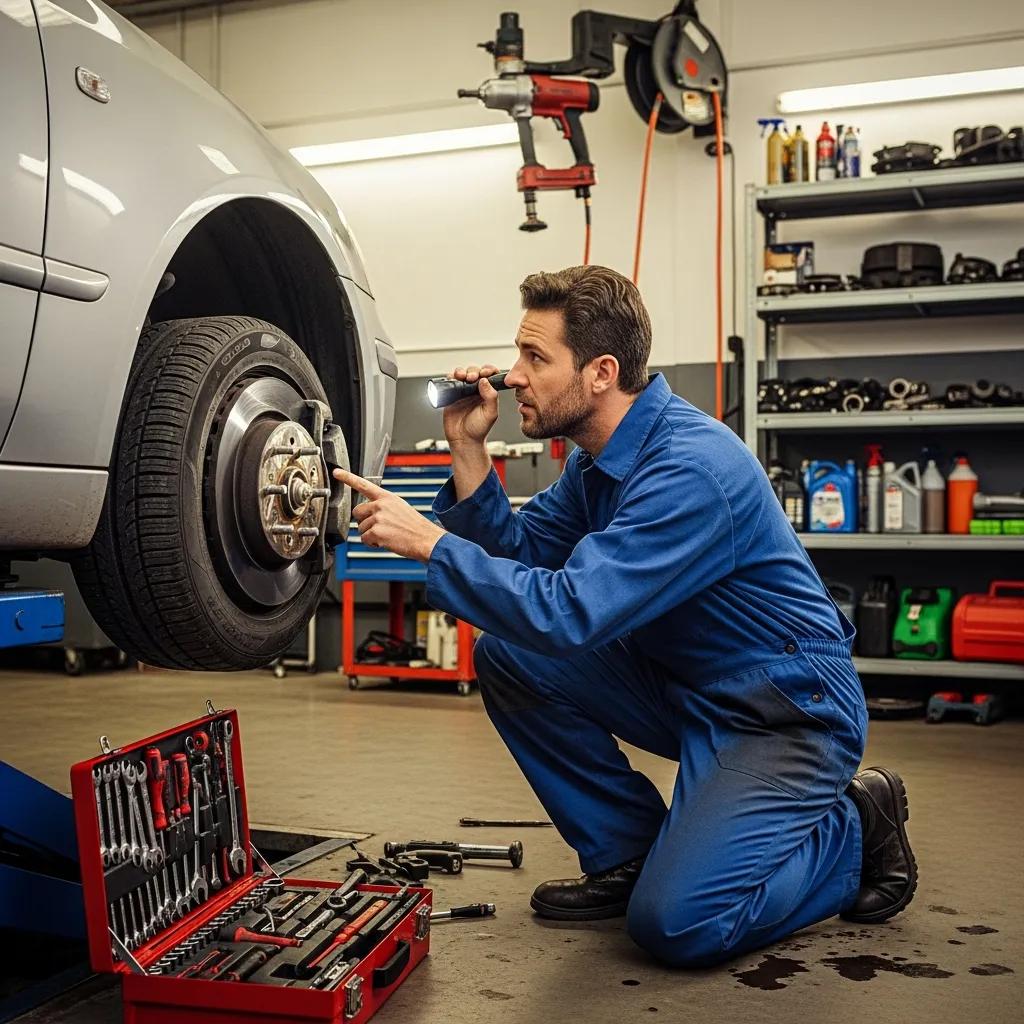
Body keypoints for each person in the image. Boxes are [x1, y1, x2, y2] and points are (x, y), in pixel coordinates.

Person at [333, 264, 916, 967]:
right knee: (510, 655)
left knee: (680, 926)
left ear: (602, 372)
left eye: (535, 357)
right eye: (519, 354)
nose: (513, 375)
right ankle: (630, 852)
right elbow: (522, 554)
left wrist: (432, 544)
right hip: (686, 683)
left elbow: (570, 613)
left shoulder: (689, 470)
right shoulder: (595, 464)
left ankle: (857, 827)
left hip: (784, 711)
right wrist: (467, 449)